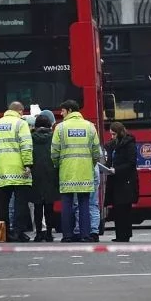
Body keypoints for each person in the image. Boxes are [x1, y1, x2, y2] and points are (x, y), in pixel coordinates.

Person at [51, 99, 102, 242]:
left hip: (67, 171)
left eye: (63, 111)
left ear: (70, 111)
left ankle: (67, 236)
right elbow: (96, 152)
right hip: (85, 171)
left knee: (66, 204)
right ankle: (85, 235)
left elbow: (54, 151)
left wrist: (57, 164)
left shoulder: (60, 128)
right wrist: (90, 164)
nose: (61, 113)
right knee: (84, 204)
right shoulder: (90, 127)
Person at [0, 101, 33, 242]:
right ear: (20, 111)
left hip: (2, 170)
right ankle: (19, 232)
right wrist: (28, 164)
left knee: (2, 204)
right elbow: (26, 145)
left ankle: (3, 233)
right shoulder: (21, 123)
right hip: (18, 168)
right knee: (20, 203)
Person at [105, 122, 139, 242]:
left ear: (119, 133)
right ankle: (119, 234)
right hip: (115, 180)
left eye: (114, 134)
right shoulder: (112, 145)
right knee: (117, 209)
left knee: (125, 208)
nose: (112, 137)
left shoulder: (129, 144)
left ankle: (125, 235)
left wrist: (116, 169)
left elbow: (131, 162)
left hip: (126, 180)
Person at [30, 114, 58, 242]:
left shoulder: (31, 137)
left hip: (35, 173)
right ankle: (49, 233)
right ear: (49, 125)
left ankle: (38, 233)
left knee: (37, 205)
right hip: (50, 173)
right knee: (49, 206)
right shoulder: (53, 137)